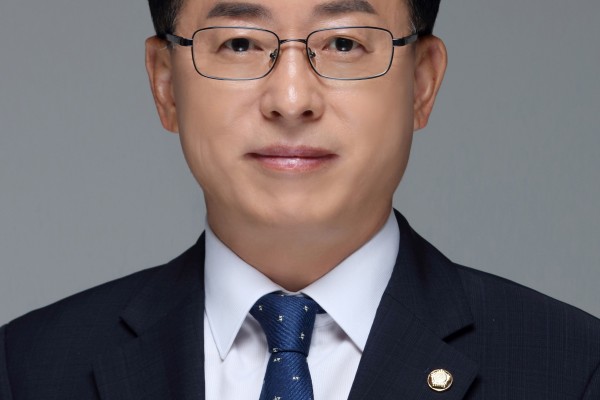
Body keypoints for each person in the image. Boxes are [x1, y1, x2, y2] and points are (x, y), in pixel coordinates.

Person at [1, 0, 599, 399]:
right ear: (165, 84)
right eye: (239, 43)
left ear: (422, 82)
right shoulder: (26, 371)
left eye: (344, 43)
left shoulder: (571, 371)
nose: (291, 99)